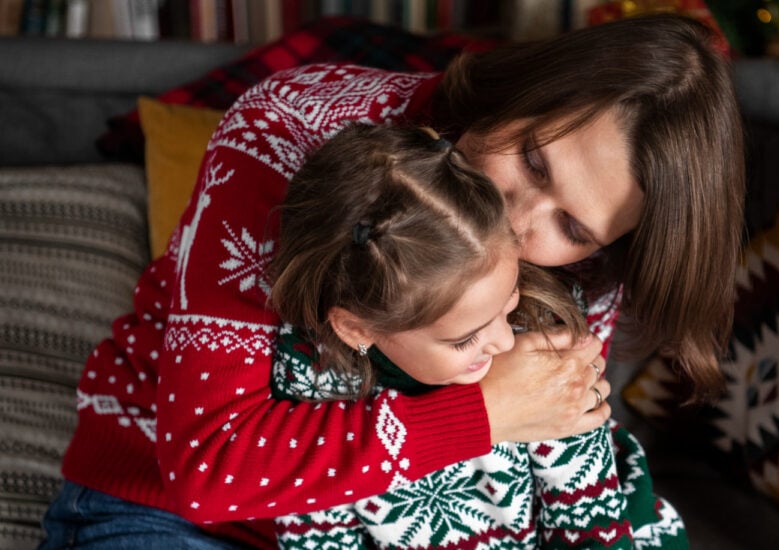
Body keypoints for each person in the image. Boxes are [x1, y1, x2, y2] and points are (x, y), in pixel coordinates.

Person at [42, 12, 743, 549]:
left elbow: (555, 456)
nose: (517, 220)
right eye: (533, 162)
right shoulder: (292, 132)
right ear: (519, 93)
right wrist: (483, 417)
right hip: (172, 509)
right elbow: (208, 470)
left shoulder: (588, 265)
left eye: (575, 228)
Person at [266, 122, 683, 549]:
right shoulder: (312, 375)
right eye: (465, 339)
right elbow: (316, 525)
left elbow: (588, 516)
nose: (504, 343)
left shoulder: (539, 332)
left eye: (509, 302)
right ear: (358, 329)